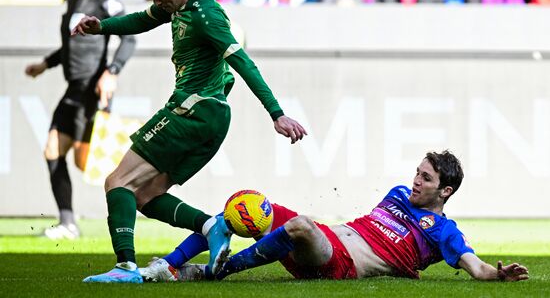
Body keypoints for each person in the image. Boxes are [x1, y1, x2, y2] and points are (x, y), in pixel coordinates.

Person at [71, 0, 307, 283]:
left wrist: (277, 113)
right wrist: (101, 28)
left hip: (192, 110)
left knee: (117, 181)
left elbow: (244, 64)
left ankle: (125, 267)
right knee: (143, 194)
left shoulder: (205, 15)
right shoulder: (183, 4)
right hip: (210, 119)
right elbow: (143, 18)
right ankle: (213, 227)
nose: (157, 2)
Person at [140, 150, 529, 283]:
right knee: (245, 205)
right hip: (326, 237)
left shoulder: (442, 231)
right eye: (416, 172)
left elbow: (475, 268)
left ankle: (217, 271)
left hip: (336, 263)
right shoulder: (398, 194)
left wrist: (498, 274)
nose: (414, 181)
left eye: (425, 178)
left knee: (300, 224)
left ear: (445, 191)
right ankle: (167, 266)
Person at [24, 0, 136, 240]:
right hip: (73, 90)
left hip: (92, 93)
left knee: (89, 164)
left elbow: (129, 38)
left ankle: (140, 204)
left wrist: (111, 73)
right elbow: (70, 47)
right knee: (52, 150)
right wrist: (45, 64)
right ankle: (67, 222)